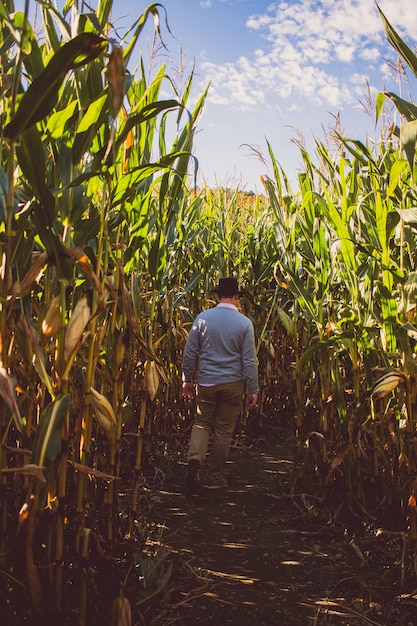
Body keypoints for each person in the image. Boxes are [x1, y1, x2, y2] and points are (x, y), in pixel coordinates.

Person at [181, 277, 259, 494]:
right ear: (236, 296)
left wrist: (187, 379)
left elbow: (189, 352)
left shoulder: (203, 318)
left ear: (218, 295)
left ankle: (195, 461)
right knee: (224, 430)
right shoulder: (244, 323)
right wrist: (253, 389)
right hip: (232, 384)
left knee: (202, 424)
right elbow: (249, 361)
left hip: (206, 382)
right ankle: (215, 478)